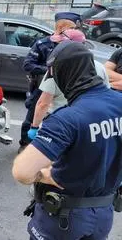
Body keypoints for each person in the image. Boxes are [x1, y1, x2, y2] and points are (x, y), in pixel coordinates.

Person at [12, 41, 122, 240]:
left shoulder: (66, 118)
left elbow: (22, 173)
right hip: (103, 215)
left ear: (63, 74)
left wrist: (47, 175)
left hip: (64, 219)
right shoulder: (118, 103)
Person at [28, 29, 110, 139]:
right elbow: (105, 97)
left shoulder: (57, 69)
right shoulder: (100, 67)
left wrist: (34, 127)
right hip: (91, 125)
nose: (57, 47)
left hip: (60, 124)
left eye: (61, 44)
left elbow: (43, 103)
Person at [19, 12, 80, 150]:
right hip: (42, 87)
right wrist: (50, 70)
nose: (76, 31)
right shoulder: (43, 44)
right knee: (32, 116)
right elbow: (28, 65)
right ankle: (25, 144)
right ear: (62, 27)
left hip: (66, 88)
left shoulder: (74, 43)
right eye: (73, 28)